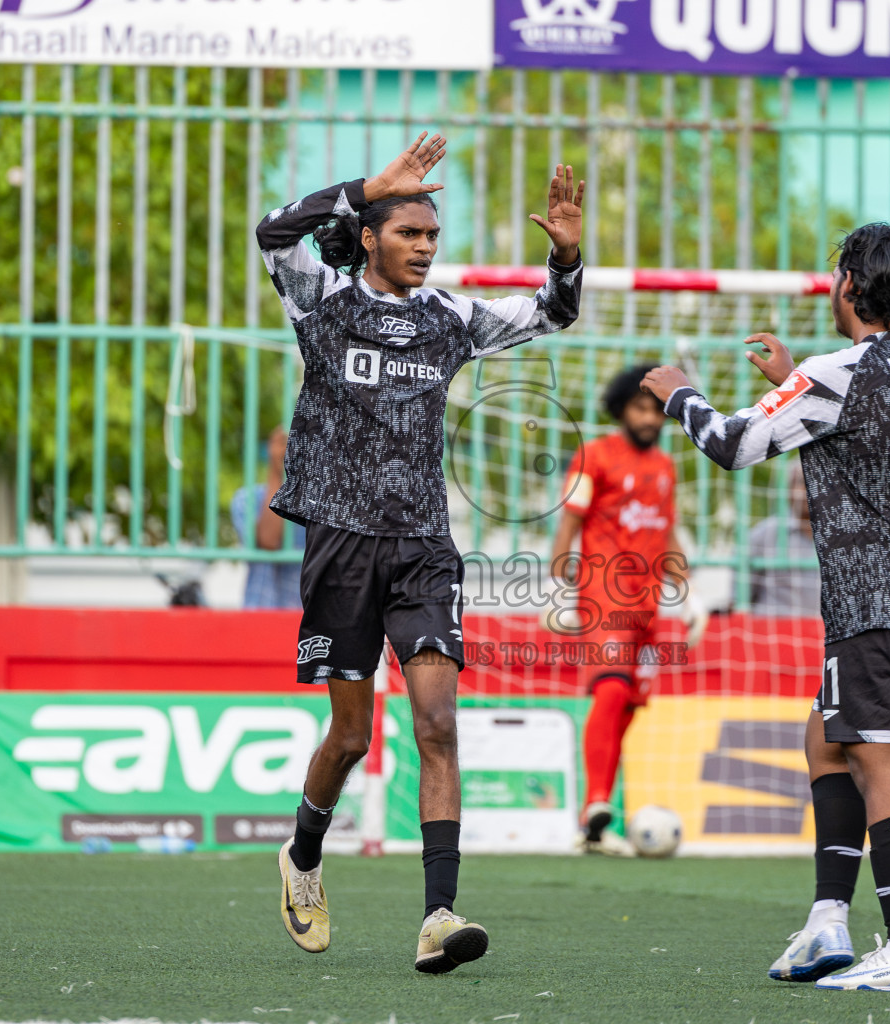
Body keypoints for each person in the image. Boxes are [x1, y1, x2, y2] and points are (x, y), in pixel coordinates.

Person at [255, 133, 585, 973]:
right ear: (370, 238)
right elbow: (271, 233)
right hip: (339, 543)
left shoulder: (450, 320)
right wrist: (368, 185)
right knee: (352, 738)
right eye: (409, 233)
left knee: (437, 722)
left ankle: (439, 915)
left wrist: (569, 256)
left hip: (422, 549)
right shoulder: (319, 299)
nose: (426, 248)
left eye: (433, 236)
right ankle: (302, 855)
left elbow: (551, 312)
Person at [641, 223, 890, 993]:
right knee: (825, 740)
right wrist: (791, 378)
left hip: (873, 599)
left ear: (849, 284)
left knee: (880, 763)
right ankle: (827, 922)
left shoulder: (838, 371)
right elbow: (860, 437)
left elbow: (729, 443)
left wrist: (677, 389)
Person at [547, 364, 699, 856]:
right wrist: (557, 576)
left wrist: (688, 592)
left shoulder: (665, 467)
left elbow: (666, 530)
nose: (650, 417)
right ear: (620, 409)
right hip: (604, 593)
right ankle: (594, 802)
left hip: (651, 604)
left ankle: (594, 823)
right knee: (611, 690)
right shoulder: (596, 456)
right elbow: (571, 519)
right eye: (640, 407)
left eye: (657, 409)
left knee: (630, 704)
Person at [230, 427, 305, 609]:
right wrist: (276, 470)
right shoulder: (247, 500)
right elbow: (268, 542)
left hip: (313, 625)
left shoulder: (328, 503)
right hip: (264, 615)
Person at [747, 461, 820, 616]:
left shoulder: (842, 536)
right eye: (802, 482)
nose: (810, 489)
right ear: (787, 489)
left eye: (817, 481)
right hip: (772, 633)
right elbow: (742, 597)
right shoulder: (763, 535)